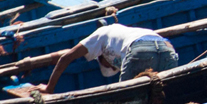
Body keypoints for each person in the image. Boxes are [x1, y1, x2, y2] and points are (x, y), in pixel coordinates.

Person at [37, 24, 178, 94]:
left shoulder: (102, 34)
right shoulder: (124, 34)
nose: (112, 67)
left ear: (101, 56)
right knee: (169, 93)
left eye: (110, 66)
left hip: (139, 48)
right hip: (167, 48)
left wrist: (49, 88)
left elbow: (67, 57)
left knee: (125, 96)